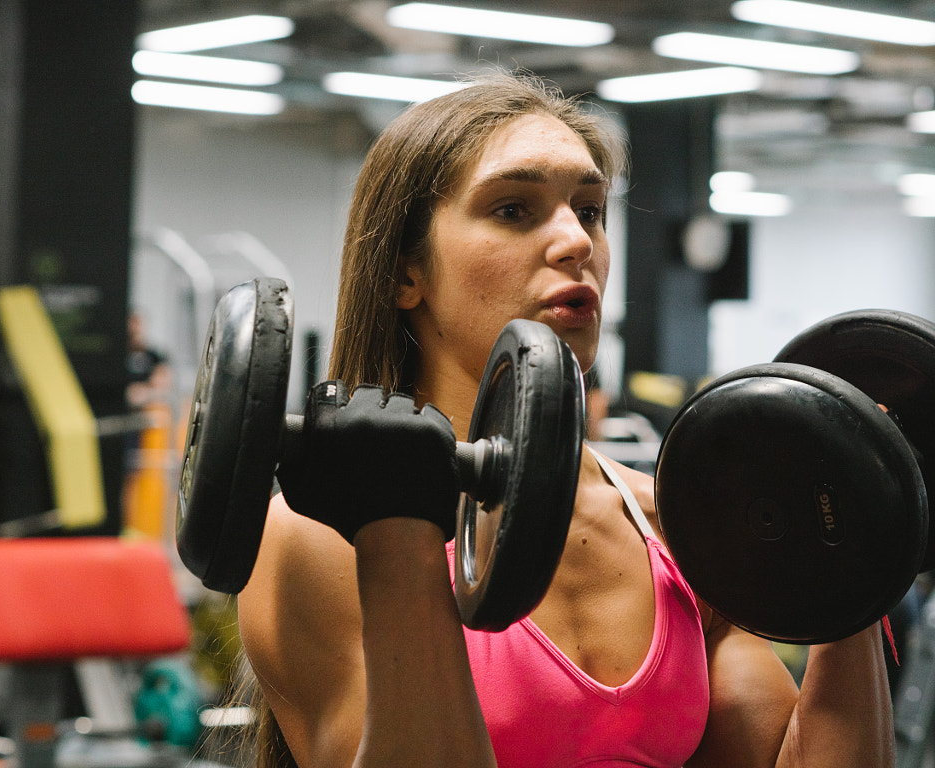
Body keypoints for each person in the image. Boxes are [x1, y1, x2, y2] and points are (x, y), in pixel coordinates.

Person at [236, 72, 893, 767]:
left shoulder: (672, 522)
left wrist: (857, 543)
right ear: (405, 273)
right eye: (515, 210)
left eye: (589, 209)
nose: (574, 240)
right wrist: (401, 542)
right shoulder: (320, 538)